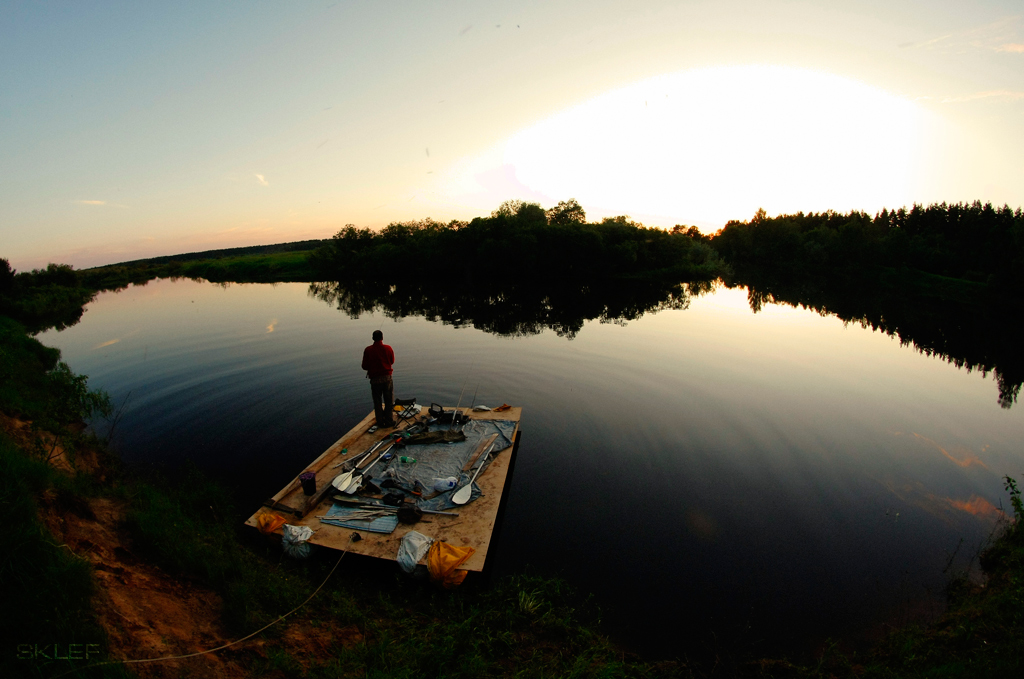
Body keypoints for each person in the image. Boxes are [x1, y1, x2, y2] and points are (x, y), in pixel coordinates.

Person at [362, 330, 396, 427]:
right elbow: (392, 361)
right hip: (387, 378)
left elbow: (364, 366)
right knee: (389, 400)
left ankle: (380, 422)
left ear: (373, 338)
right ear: (382, 338)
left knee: (377, 401)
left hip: (375, 380)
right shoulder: (388, 348)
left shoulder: (368, 350)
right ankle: (389, 421)